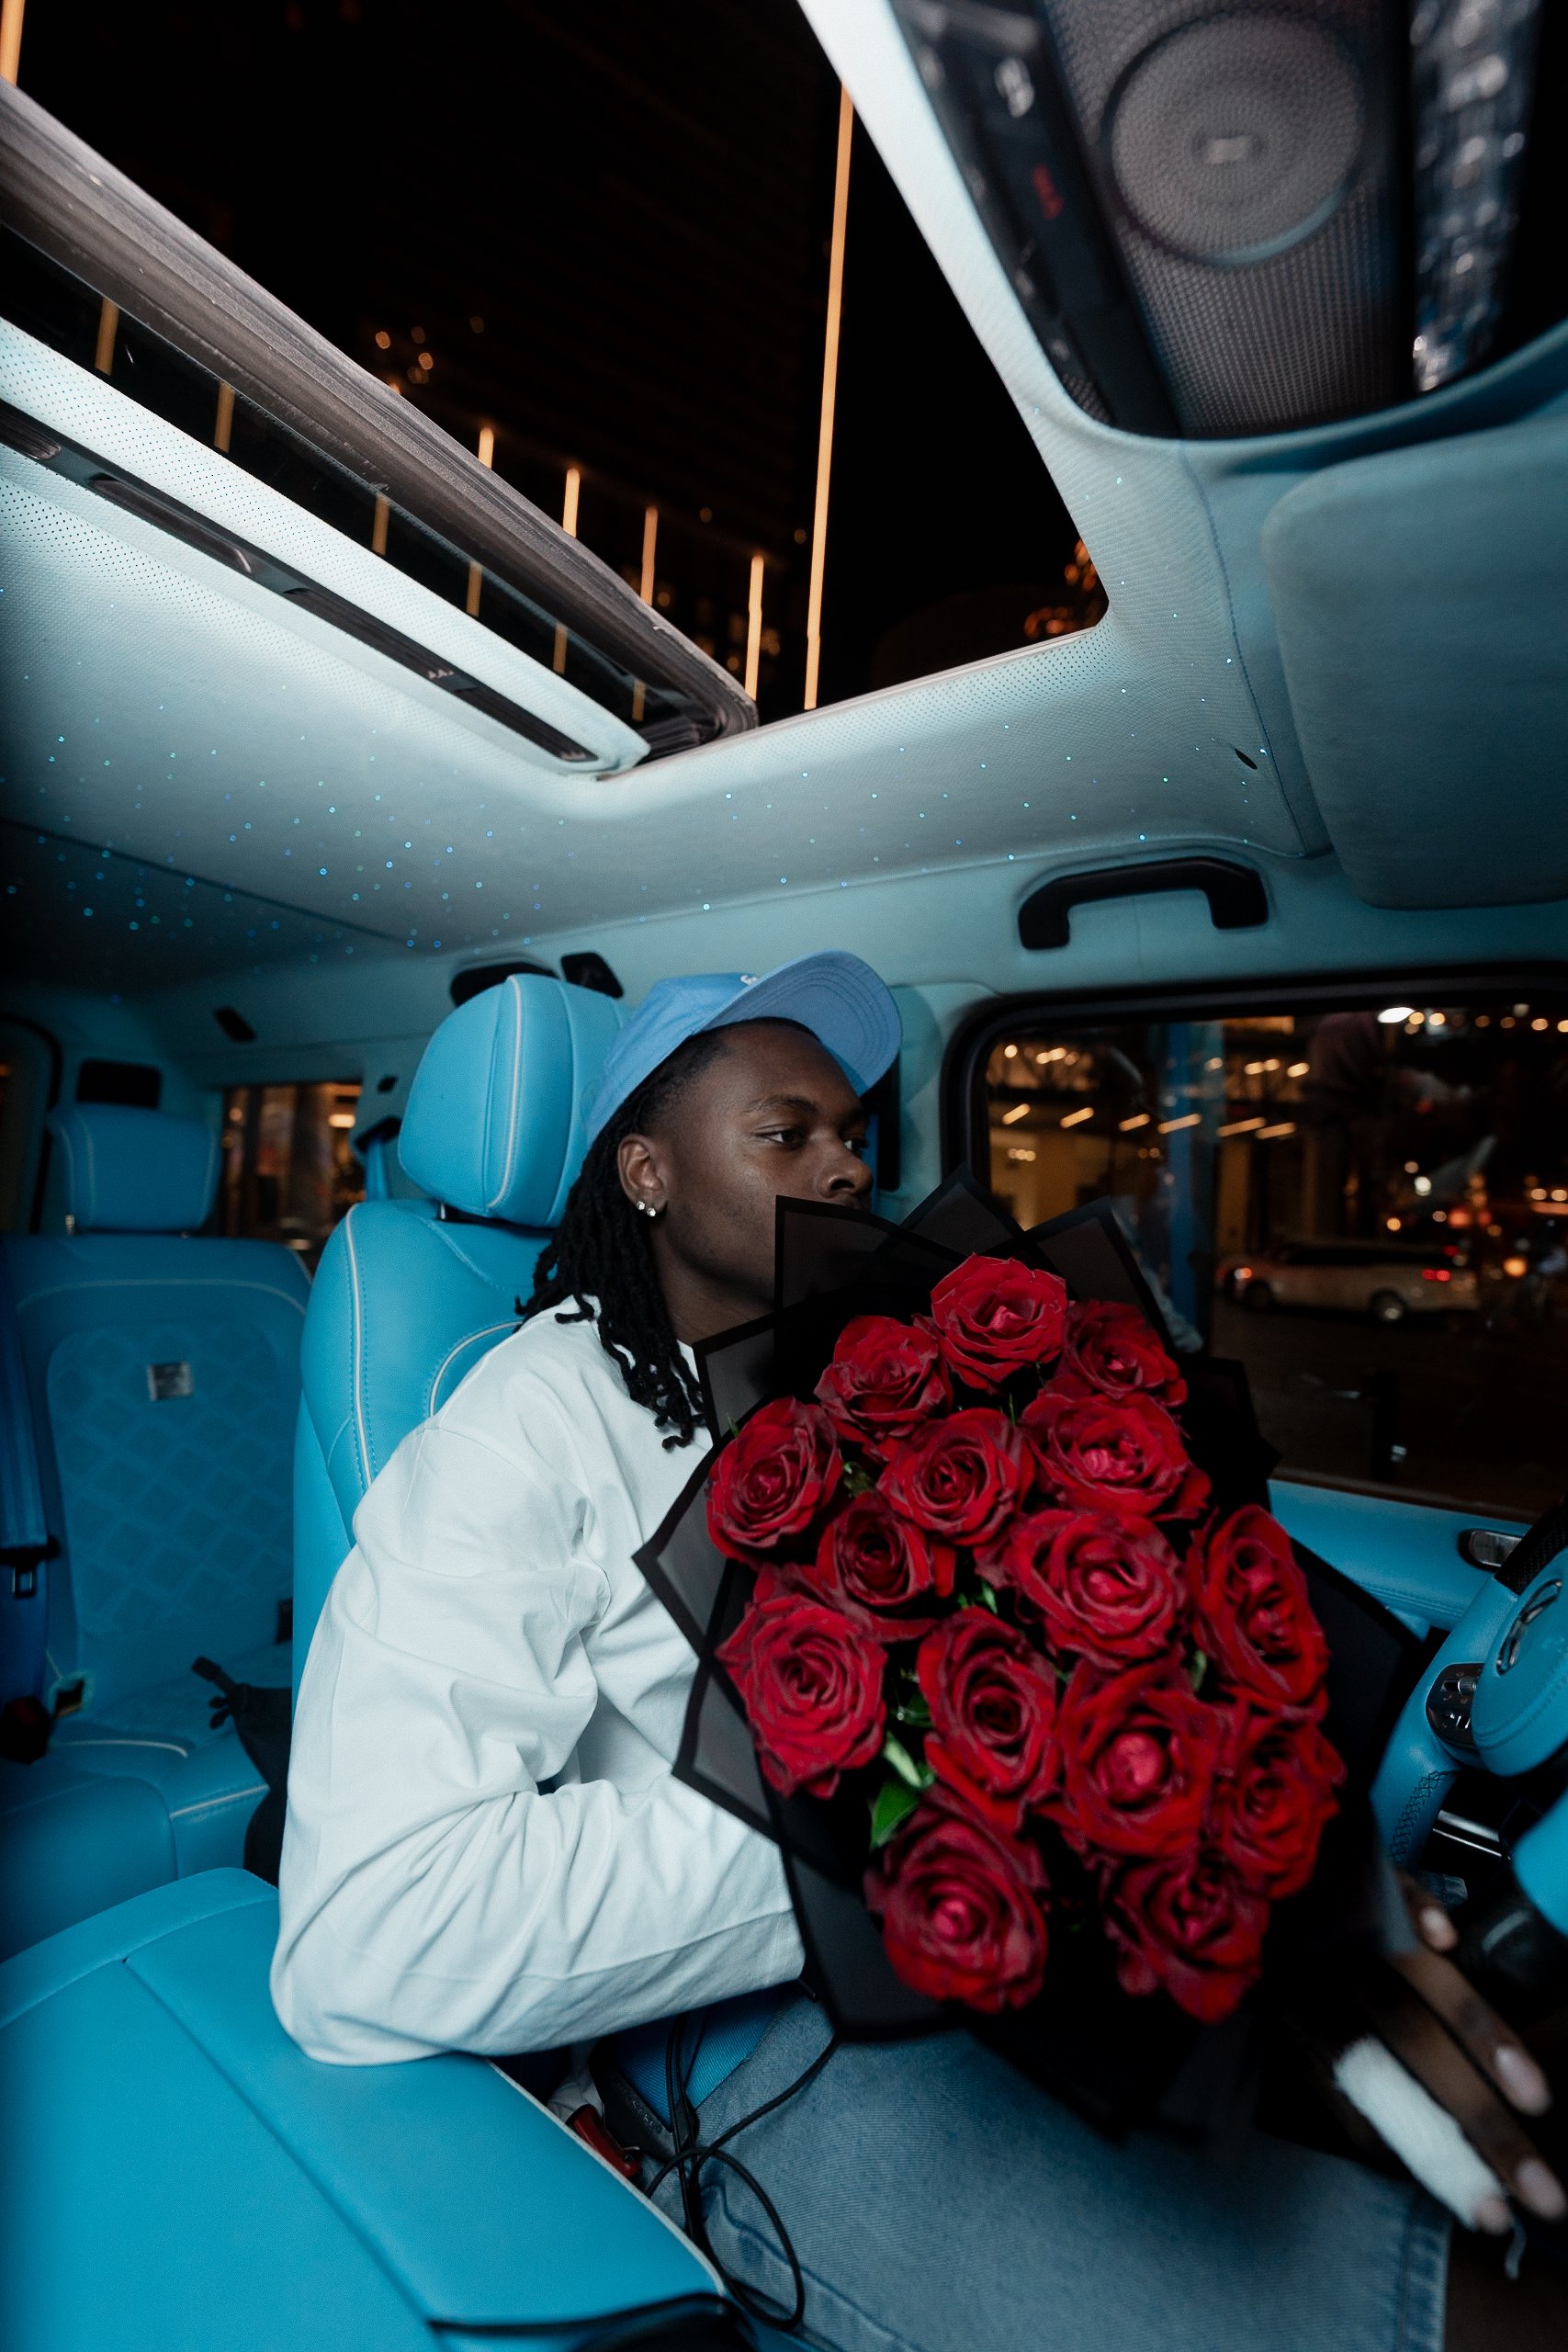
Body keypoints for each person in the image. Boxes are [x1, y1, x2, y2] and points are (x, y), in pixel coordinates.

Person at [274, 953, 1564, 2352]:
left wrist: (1228, 1853)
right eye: (786, 1134)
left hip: (1009, 1958)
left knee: (1472, 2158)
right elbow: (370, 1932)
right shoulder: (507, 1440)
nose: (841, 1170)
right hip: (744, 2050)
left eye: (851, 1139)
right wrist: (934, 1830)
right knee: (1451, 2307)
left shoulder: (865, 1372)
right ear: (645, 1171)